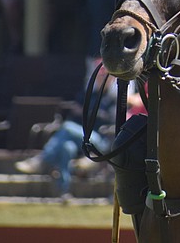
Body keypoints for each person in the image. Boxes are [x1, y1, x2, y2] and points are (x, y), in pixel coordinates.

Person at [15, 59, 117, 199]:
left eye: (105, 76)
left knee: (67, 127)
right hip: (80, 138)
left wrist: (86, 113)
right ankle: (64, 192)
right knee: (66, 147)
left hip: (100, 139)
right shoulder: (87, 95)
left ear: (111, 79)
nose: (102, 79)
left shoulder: (112, 99)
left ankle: (42, 160)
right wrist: (89, 113)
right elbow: (74, 115)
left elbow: (110, 120)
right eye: (100, 76)